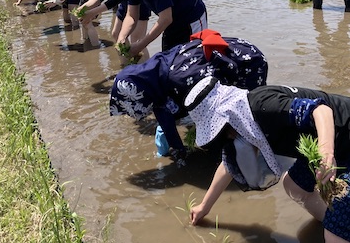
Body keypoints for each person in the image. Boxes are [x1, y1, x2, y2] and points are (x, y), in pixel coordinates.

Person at [185, 76, 350, 243]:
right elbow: (230, 165)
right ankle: (339, 222)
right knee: (294, 185)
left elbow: (321, 111)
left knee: (336, 237)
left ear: (228, 115)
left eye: (220, 129)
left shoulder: (262, 105)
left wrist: (326, 154)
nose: (225, 136)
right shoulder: (241, 123)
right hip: (330, 144)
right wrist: (204, 206)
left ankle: (340, 233)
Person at [110, 30, 268, 160]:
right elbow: (167, 107)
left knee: (245, 115)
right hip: (230, 56)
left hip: (246, 63)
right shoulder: (158, 71)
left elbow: (218, 96)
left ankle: (258, 152)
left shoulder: (179, 79)